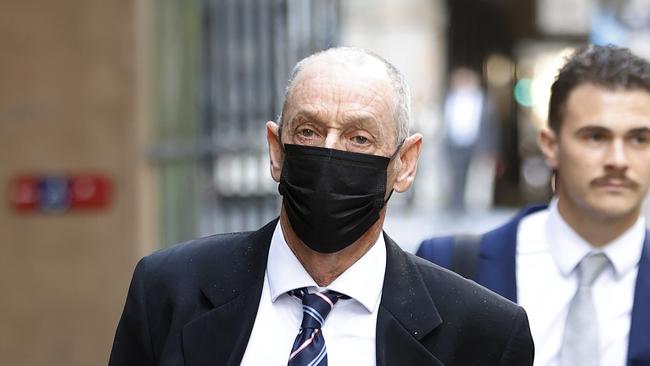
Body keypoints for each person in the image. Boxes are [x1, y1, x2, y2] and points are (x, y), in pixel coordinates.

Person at [109, 47, 534, 366]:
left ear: (404, 164)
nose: (331, 153)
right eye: (309, 131)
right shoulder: (167, 291)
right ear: (276, 151)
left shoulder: (485, 334)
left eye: (359, 138)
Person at [417, 44, 650, 366]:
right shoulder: (448, 267)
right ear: (550, 146)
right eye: (595, 137)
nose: (618, 160)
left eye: (640, 139)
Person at [442, 67, 499, 212]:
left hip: (477, 145)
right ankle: (455, 207)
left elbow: (491, 128)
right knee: (456, 177)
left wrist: (490, 150)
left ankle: (475, 210)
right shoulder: (448, 99)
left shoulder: (484, 101)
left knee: (477, 181)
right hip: (454, 144)